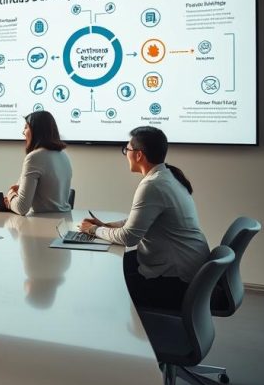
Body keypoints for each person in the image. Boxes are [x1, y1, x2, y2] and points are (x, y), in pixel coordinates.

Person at [78, 126, 210, 310]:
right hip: (189, 269)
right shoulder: (167, 175)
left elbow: (129, 237)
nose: (126, 155)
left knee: (106, 284)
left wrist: (92, 230)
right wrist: (106, 225)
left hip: (175, 280)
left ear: (139, 155)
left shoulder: (152, 185)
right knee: (114, 267)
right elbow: (139, 220)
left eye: (127, 150)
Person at [3, 110, 73, 214]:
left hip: (41, 225)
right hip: (64, 223)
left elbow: (21, 208)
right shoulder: (64, 155)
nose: (23, 132)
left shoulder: (34, 158)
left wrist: (10, 196)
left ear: (37, 131)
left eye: (26, 127)